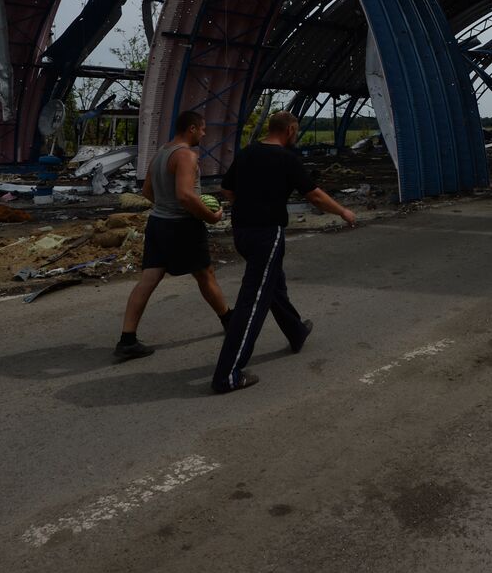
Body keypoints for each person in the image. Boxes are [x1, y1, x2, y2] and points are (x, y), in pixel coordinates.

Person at [211, 111, 356, 393]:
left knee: (274, 284)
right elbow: (313, 195)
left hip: (242, 233)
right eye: (296, 130)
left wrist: (250, 202)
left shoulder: (247, 153)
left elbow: (227, 190)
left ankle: (296, 331)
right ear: (290, 129)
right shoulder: (287, 160)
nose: (296, 135)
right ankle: (227, 375)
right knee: (252, 303)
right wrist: (342, 211)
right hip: (267, 233)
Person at [114, 110, 230, 360]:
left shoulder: (160, 154)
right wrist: (211, 217)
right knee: (205, 274)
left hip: (158, 223)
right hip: (182, 226)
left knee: (150, 278)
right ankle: (230, 321)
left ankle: (127, 339)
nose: (204, 133)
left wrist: (164, 206)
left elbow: (146, 191)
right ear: (191, 128)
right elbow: (185, 195)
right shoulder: (186, 155)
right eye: (202, 129)